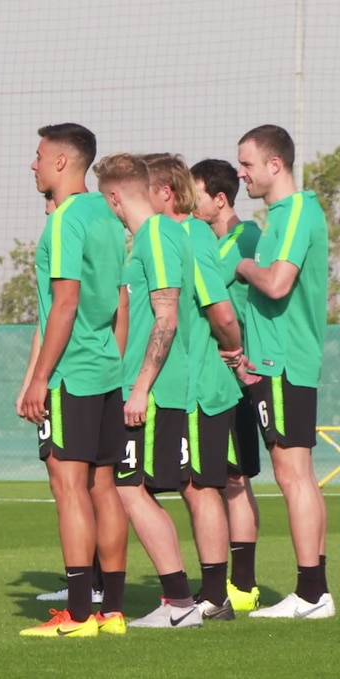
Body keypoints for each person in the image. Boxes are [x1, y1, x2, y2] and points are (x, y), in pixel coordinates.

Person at [16, 125, 128, 637]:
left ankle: (79, 613)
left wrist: (41, 378)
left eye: (38, 156)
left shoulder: (63, 222)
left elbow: (64, 304)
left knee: (69, 488)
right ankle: (112, 611)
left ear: (62, 163)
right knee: (103, 487)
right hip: (106, 370)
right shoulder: (108, 215)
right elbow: (119, 302)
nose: (32, 165)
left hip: (72, 373)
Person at [95, 152, 201, 629]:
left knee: (131, 489)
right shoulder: (149, 238)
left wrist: (139, 389)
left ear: (116, 197)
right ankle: (178, 601)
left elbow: (167, 316)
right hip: (146, 385)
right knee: (130, 490)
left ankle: (180, 605)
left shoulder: (156, 235)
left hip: (151, 390)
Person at [234, 125, 333, 619]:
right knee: (300, 477)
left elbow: (276, 283)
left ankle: (311, 594)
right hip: (279, 362)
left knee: (292, 476)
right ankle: (316, 590)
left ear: (275, 166)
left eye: (247, 165)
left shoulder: (294, 214)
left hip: (283, 363)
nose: (242, 174)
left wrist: (243, 266)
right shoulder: (282, 216)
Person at [142, 153, 244, 620]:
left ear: (163, 191)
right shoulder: (164, 236)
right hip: (182, 388)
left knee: (201, 488)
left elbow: (220, 311)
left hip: (200, 388)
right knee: (193, 486)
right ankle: (209, 593)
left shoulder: (191, 234)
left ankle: (214, 596)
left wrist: (233, 351)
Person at [191, 158, 263, 612]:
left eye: (195, 195)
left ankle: (244, 585)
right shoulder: (210, 242)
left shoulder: (246, 237)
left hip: (239, 377)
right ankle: (225, 585)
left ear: (219, 199)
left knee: (234, 479)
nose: (189, 203)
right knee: (218, 481)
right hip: (214, 377)